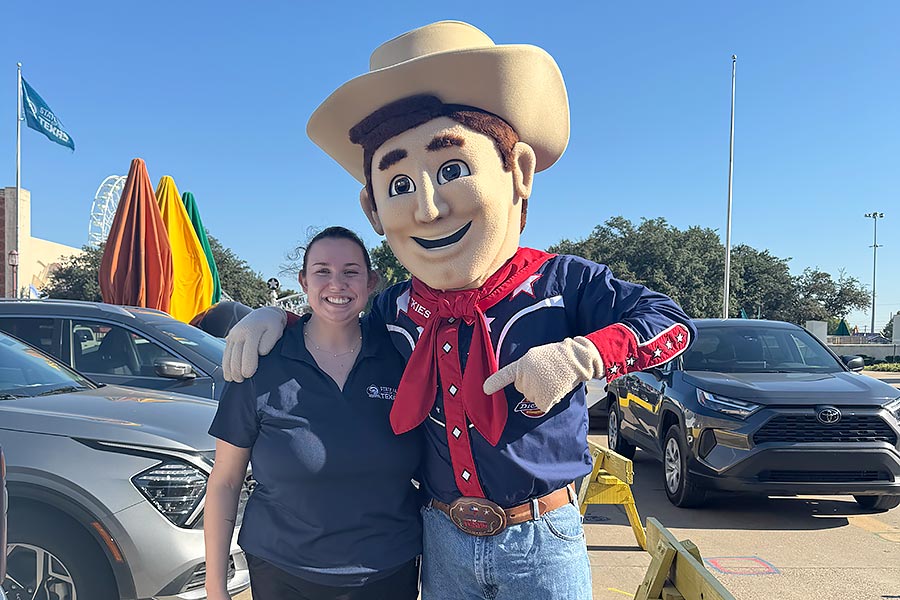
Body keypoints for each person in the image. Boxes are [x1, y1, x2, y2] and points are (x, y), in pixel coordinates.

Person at [224, 22, 696, 600]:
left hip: (541, 540)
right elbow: (335, 320)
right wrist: (276, 317)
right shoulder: (396, 308)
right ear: (373, 210)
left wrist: (583, 355)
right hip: (440, 535)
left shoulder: (562, 283)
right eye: (398, 184)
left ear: (518, 172)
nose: (426, 207)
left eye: (452, 170)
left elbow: (671, 323)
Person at [204, 227, 422, 600]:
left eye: (351, 271)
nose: (337, 284)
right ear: (303, 281)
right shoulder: (261, 365)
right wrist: (215, 588)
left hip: (387, 572)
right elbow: (225, 481)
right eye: (322, 271)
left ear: (371, 283)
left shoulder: (400, 356)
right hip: (283, 572)